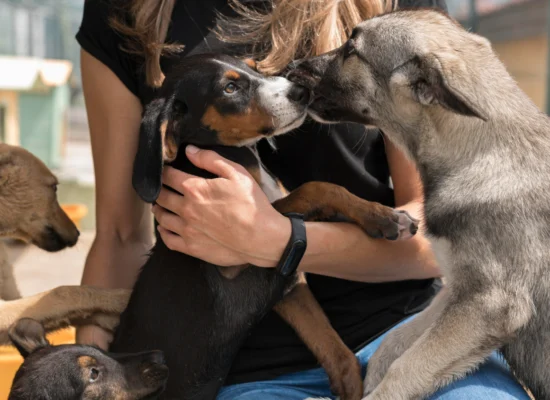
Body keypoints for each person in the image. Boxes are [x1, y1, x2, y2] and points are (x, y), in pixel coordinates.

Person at [75, 1, 530, 398]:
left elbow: (431, 230)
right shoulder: (125, 13)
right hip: (244, 374)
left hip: (405, 336)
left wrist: (281, 240)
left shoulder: (393, 17)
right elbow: (118, 236)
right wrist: (88, 379)